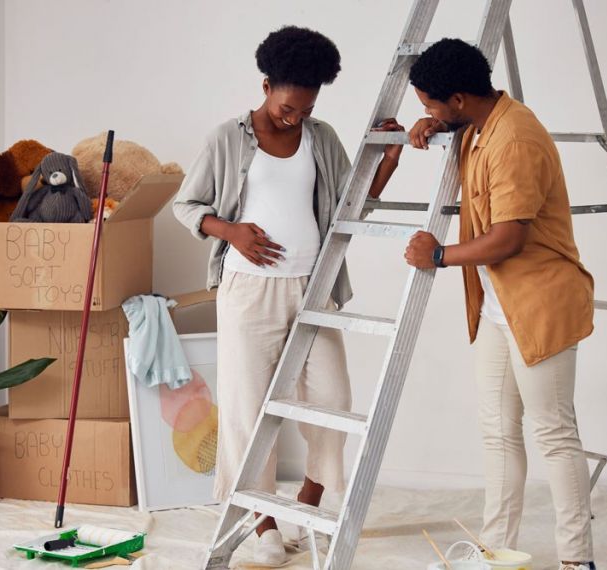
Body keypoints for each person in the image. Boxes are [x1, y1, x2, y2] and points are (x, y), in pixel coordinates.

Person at [172, 25, 403, 565]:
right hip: (249, 292)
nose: (294, 116)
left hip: (313, 286)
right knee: (248, 409)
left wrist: (388, 159)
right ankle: (261, 519)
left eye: (305, 107)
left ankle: (306, 503)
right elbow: (186, 206)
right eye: (286, 106)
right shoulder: (226, 139)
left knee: (332, 400)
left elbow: (350, 205)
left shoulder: (320, 137)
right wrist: (231, 232)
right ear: (266, 84)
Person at [403, 38, 596, 570]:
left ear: (460, 98)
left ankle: (578, 560)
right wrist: (437, 125)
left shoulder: (515, 138)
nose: (427, 114)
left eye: (430, 105)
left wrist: (439, 255)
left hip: (539, 303)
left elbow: (510, 237)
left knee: (554, 432)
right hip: (496, 307)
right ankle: (496, 552)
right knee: (498, 431)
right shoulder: (479, 124)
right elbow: (460, 122)